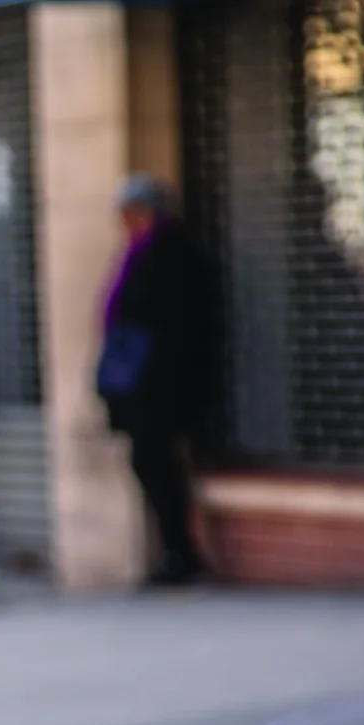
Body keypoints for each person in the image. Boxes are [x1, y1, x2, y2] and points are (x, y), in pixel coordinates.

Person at [96, 174, 217, 588]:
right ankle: (175, 551)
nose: (125, 221)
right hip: (144, 384)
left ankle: (180, 553)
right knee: (150, 463)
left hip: (160, 384)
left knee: (157, 464)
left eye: (130, 212)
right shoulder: (142, 252)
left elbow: (172, 325)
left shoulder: (169, 254)